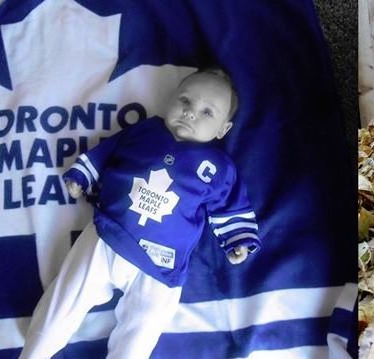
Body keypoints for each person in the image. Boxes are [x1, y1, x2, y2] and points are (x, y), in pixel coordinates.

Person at [20, 67, 259, 358]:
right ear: (171, 98)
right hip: (108, 237)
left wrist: (238, 240)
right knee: (64, 300)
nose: (190, 112)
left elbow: (231, 205)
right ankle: (36, 350)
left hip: (162, 265)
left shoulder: (219, 168)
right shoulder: (145, 131)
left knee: (142, 331)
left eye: (207, 112)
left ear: (223, 129)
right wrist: (83, 175)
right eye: (185, 100)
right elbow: (107, 152)